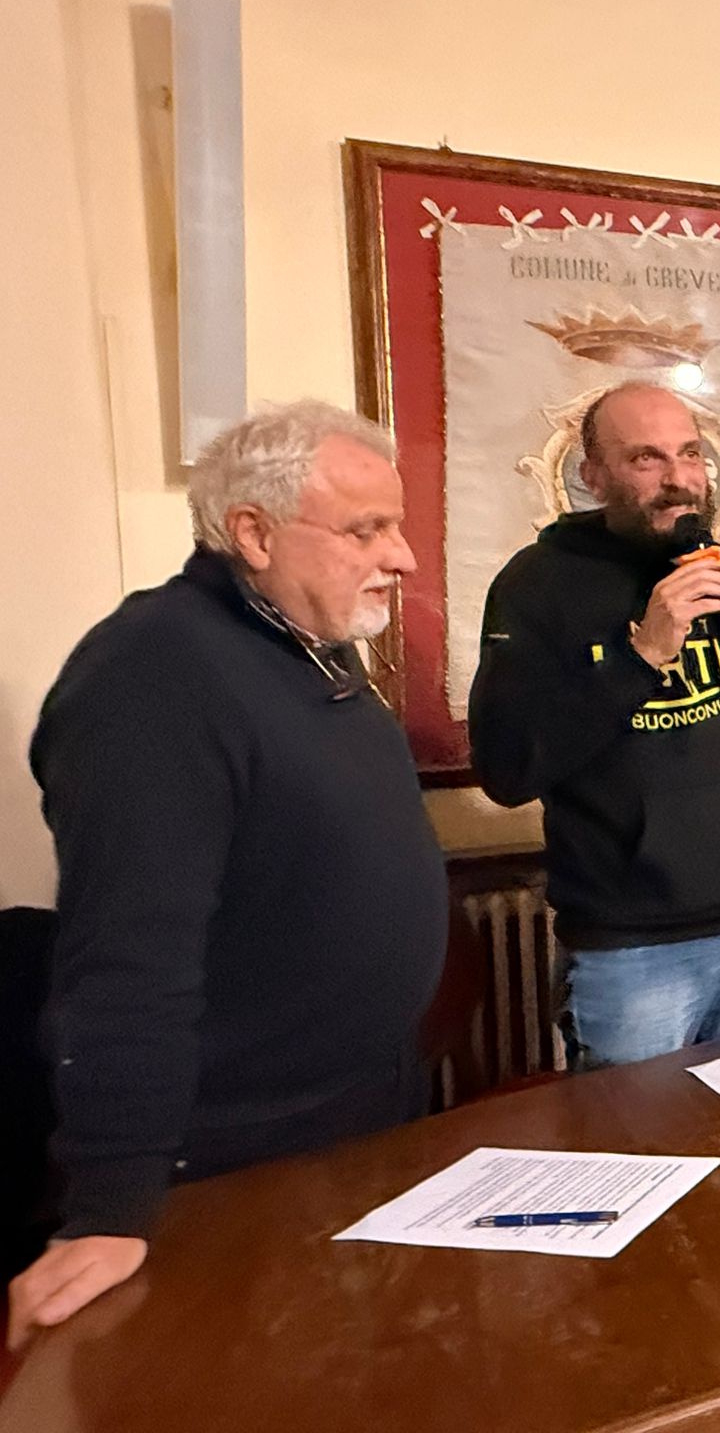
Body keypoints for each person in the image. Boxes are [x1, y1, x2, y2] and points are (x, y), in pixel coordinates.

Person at [9, 402, 447, 1351]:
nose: (404, 557)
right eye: (367, 530)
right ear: (253, 532)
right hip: (235, 1156)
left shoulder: (302, 646)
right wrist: (112, 1204)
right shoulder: (154, 675)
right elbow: (126, 955)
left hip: (356, 1117)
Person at [468, 383, 720, 1066]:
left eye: (689, 454)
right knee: (637, 1132)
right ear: (592, 475)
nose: (679, 479)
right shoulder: (537, 584)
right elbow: (507, 770)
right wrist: (642, 655)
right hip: (632, 951)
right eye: (646, 459)